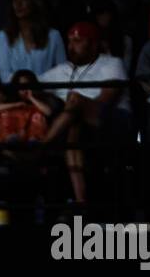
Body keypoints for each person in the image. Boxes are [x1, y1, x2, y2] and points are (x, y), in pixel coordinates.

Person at [41, 22, 130, 202]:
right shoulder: (62, 69)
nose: (71, 46)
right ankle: (81, 202)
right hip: (77, 126)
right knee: (74, 130)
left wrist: (78, 105)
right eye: (69, 41)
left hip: (111, 121)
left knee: (75, 99)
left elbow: (107, 99)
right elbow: (29, 83)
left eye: (78, 41)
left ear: (93, 43)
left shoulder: (112, 63)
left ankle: (41, 146)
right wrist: (1, 93)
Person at [0, 0, 66, 84]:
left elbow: (63, 72)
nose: (18, 4)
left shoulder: (54, 36)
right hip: (15, 95)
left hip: (45, 94)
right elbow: (4, 75)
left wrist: (35, 83)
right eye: (15, 0)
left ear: (34, 3)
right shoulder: (2, 37)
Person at [0, 69, 53, 144]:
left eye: (27, 86)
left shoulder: (39, 99)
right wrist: (16, 104)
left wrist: (31, 98)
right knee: (4, 115)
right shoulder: (8, 97)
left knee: (37, 115)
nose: (24, 89)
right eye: (21, 86)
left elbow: (48, 112)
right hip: (10, 139)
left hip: (32, 140)